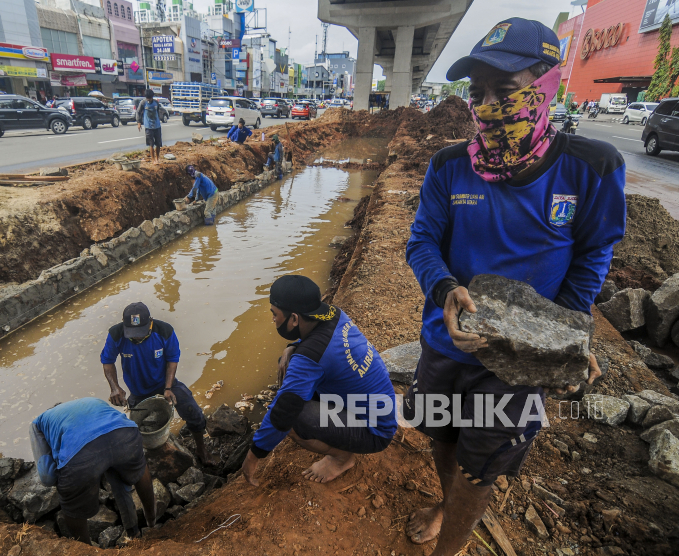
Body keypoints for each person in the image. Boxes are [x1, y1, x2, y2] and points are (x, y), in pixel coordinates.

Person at [403, 18, 624, 555]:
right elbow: (421, 242)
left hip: (519, 359)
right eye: (478, 93)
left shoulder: (590, 167)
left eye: (506, 91)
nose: (488, 106)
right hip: (445, 344)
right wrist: (444, 287)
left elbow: (594, 253)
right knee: (443, 436)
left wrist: (563, 334)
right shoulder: (450, 166)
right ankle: (445, 501)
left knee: (481, 468)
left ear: (545, 86)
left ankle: (449, 546)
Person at [241, 275, 397, 486]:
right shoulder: (335, 315)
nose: (273, 320)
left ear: (294, 319)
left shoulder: (310, 357)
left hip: (376, 431)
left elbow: (282, 414)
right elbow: (320, 346)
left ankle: (342, 459)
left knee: (292, 418)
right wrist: (293, 346)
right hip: (380, 409)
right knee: (289, 367)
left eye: (275, 315)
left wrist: (253, 457)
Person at [101, 302, 217, 465]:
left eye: (140, 332)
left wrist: (168, 388)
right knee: (140, 431)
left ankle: (201, 449)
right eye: (132, 333)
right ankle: (155, 462)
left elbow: (172, 359)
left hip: (165, 384)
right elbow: (107, 361)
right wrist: (115, 388)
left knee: (194, 413)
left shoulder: (164, 331)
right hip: (138, 391)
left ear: (151, 322)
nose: (137, 337)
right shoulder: (116, 334)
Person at [30, 397, 156, 543]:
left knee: (72, 505)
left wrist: (67, 477)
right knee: (128, 472)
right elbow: (105, 439)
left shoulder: (38, 423)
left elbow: (47, 477)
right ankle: (147, 525)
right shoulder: (91, 401)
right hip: (125, 434)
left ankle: (86, 549)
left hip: (83, 454)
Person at [136, 90, 166, 164]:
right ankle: (153, 160)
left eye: (149, 98)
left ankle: (157, 158)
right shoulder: (143, 103)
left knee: (158, 144)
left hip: (157, 126)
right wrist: (139, 122)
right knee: (151, 144)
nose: (148, 99)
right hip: (148, 126)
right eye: (147, 98)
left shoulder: (156, 103)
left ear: (152, 97)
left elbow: (158, 111)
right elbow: (138, 112)